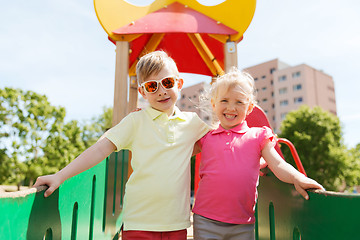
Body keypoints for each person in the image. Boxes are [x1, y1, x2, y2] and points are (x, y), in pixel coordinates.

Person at [34, 51, 210, 240]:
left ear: (179, 83)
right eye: (152, 86)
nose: (161, 91)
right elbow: (101, 148)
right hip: (139, 222)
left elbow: (218, 142)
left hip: (176, 223)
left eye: (167, 83)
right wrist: (60, 176)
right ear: (142, 92)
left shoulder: (192, 123)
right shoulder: (136, 121)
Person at [191, 68, 324, 240]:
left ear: (249, 108)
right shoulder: (206, 138)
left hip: (243, 224)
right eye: (224, 100)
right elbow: (177, 154)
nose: (231, 107)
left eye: (239, 102)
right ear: (214, 104)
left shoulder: (258, 136)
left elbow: (278, 164)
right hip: (206, 220)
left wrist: (297, 178)